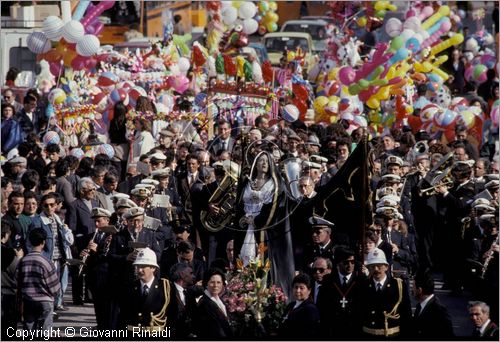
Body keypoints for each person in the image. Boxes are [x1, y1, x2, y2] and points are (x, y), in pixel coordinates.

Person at [235, 151, 295, 297]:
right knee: (243, 264)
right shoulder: (247, 183)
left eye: (266, 161)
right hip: (245, 231)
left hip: (265, 231)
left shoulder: (275, 184)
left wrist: (256, 220)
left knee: (263, 265)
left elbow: (275, 208)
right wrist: (242, 218)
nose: (263, 164)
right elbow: (238, 205)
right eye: (261, 161)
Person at [359, 248, 411, 338]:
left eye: (379, 266)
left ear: (386, 267)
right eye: (372, 266)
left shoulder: (398, 285)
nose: (376, 269)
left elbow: (406, 316)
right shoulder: (363, 286)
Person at [17, 228, 61, 331]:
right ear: (43, 242)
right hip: (45, 301)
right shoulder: (46, 262)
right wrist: (55, 295)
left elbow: (18, 281)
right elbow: (54, 287)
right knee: (45, 332)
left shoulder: (23, 261)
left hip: (28, 301)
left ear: (30, 241)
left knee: (29, 331)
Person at [317, 246, 364, 338]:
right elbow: (322, 307)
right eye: (346, 262)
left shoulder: (361, 281)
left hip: (354, 331)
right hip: (333, 331)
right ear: (338, 263)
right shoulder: (328, 281)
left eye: (352, 262)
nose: (350, 265)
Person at [122, 248, 171, 332]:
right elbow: (123, 316)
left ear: (153, 268)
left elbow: (172, 315)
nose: (139, 270)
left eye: (143, 266)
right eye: (138, 266)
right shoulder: (130, 287)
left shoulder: (165, 287)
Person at [412, 270, 454, 338]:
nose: (412, 290)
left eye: (413, 287)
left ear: (419, 290)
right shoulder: (420, 306)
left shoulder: (439, 311)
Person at [193, 268, 232, 338]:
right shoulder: (203, 303)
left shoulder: (220, 300)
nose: (215, 285)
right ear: (206, 283)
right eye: (212, 282)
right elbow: (213, 331)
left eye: (219, 282)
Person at [279, 273, 320, 338]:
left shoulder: (311, 309)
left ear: (309, 291)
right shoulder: (290, 305)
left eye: (301, 288)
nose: (298, 291)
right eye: (296, 287)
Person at [1, 222, 23, 337]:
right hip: (7, 294)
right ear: (6, 235)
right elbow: (16, 272)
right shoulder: (9, 253)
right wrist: (19, 258)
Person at [167, 263, 197, 338]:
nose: (194, 276)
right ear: (182, 274)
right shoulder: (167, 291)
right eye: (191, 273)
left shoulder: (189, 293)